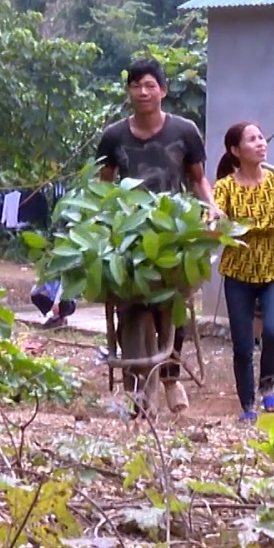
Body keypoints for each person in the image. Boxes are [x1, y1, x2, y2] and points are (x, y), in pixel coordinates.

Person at [95, 57, 215, 414]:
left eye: (150, 85)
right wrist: (97, 222)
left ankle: (171, 377)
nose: (143, 92)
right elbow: (103, 186)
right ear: (128, 91)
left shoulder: (184, 131)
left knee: (175, 304)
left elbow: (197, 179)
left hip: (173, 230)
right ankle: (137, 387)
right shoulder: (114, 135)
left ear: (163, 90)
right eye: (136, 85)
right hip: (129, 231)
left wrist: (211, 208)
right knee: (129, 302)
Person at [211, 121, 274, 422]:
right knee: (243, 343)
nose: (260, 143)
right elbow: (213, 227)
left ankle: (268, 387)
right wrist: (212, 220)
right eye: (252, 139)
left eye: (261, 138)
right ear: (235, 150)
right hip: (239, 268)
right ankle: (247, 406)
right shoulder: (224, 188)